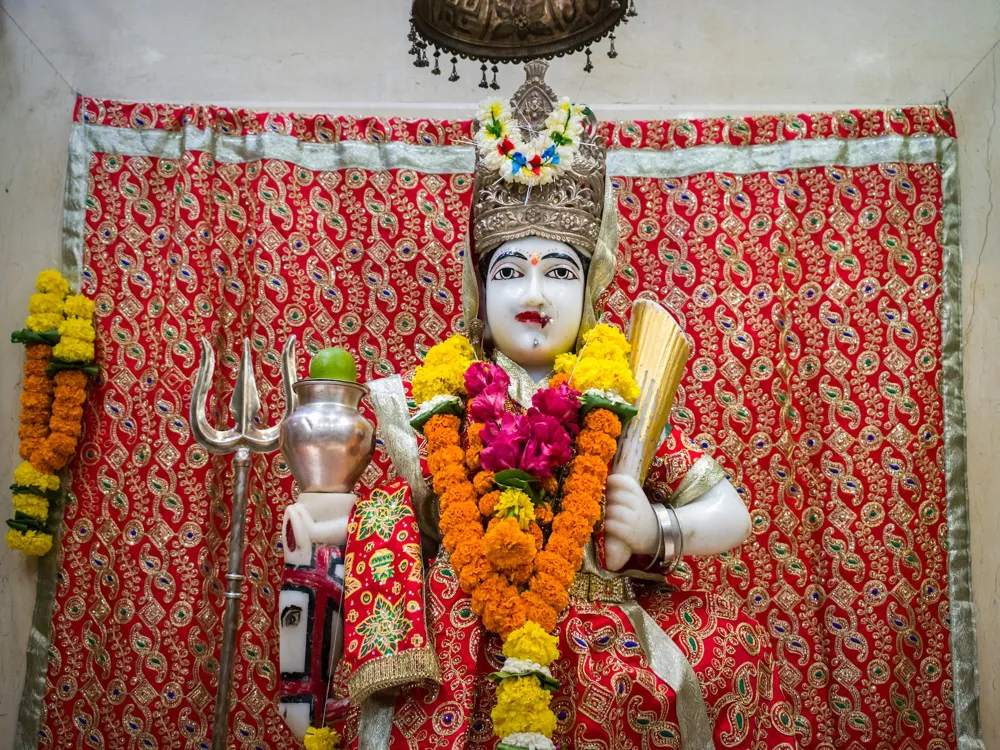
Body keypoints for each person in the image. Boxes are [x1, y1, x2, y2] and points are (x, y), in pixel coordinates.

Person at [283, 63, 798, 750]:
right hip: (461, 633)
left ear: (589, 289)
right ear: (479, 289)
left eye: (558, 270)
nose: (535, 290)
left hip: (600, 621)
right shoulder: (424, 399)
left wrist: (657, 529)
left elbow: (732, 512)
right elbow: (376, 515)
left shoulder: (620, 397)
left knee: (731, 650)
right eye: (508, 270)